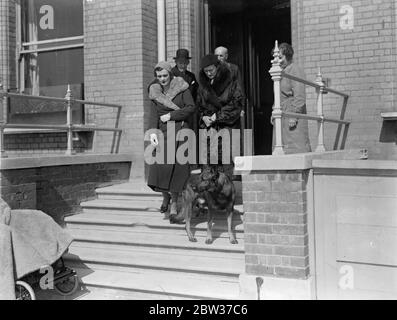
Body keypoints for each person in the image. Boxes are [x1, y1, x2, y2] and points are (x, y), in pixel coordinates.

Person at [147, 61, 196, 222]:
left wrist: (171, 116)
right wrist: (152, 132)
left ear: (170, 74)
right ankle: (165, 197)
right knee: (161, 168)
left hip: (180, 131)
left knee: (176, 170)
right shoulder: (154, 91)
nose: (162, 79)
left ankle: (174, 203)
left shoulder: (182, 88)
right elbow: (153, 114)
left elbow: (190, 108)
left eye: (165, 75)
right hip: (162, 133)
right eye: (159, 76)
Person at [197, 54, 244, 179]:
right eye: (206, 71)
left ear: (217, 67)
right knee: (210, 166)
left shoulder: (231, 82)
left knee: (227, 163)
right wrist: (203, 117)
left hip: (227, 127)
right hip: (210, 130)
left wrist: (216, 117)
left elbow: (236, 104)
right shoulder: (203, 86)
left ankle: (230, 194)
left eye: (211, 70)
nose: (209, 73)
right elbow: (200, 106)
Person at [272, 42, 311, 154]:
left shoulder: (295, 69)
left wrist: (294, 115)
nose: (278, 61)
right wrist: (274, 110)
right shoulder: (280, 71)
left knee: (295, 145)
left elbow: (299, 95)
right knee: (280, 146)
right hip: (281, 112)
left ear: (288, 56)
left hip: (291, 112)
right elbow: (278, 93)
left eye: (280, 57)